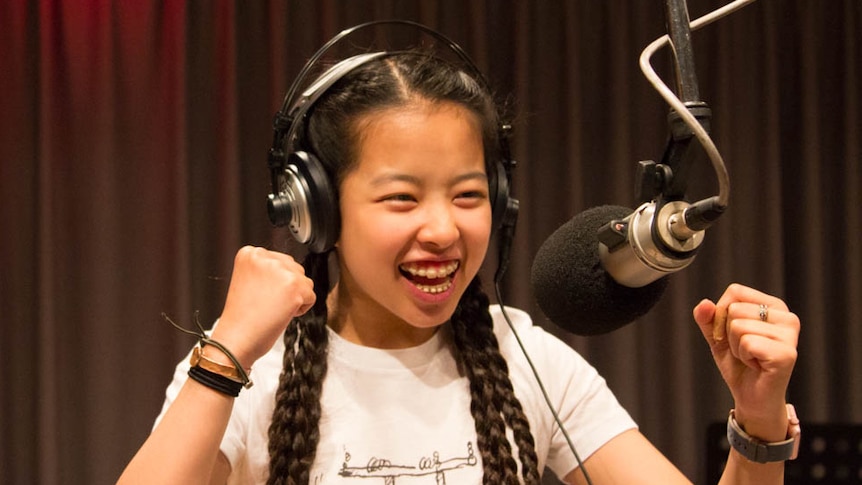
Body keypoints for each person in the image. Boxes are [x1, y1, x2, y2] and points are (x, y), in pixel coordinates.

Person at [118, 42, 800, 485]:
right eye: (401, 198)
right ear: (319, 211)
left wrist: (760, 421)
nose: (443, 229)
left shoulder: (524, 356)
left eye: (468, 194)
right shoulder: (247, 372)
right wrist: (229, 348)